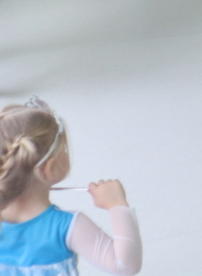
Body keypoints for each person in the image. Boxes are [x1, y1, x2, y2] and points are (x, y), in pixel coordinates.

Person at [0, 99, 142, 274]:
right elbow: (125, 266)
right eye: (63, 150)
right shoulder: (67, 226)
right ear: (49, 169)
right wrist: (117, 205)